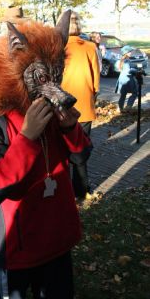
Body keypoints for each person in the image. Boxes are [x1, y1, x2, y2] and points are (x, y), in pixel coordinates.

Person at [0, 13, 92, 298]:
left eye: (56, 74)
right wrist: (26, 139)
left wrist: (70, 128)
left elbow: (80, 159)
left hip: (57, 239)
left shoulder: (54, 109)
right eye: (41, 75)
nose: (51, 84)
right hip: (18, 246)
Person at [61, 11, 100, 200]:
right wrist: (93, 95)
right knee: (80, 149)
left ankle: (64, 189)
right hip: (84, 105)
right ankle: (82, 189)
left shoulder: (57, 47)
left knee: (62, 150)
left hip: (61, 106)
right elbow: (96, 81)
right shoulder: (90, 47)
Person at [115, 45, 138, 113]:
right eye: (130, 51)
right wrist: (136, 70)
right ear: (126, 53)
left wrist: (135, 66)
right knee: (134, 93)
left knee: (123, 94)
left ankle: (120, 108)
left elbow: (117, 68)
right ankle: (128, 107)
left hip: (122, 79)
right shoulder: (126, 61)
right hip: (128, 79)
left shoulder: (121, 60)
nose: (131, 53)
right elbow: (128, 71)